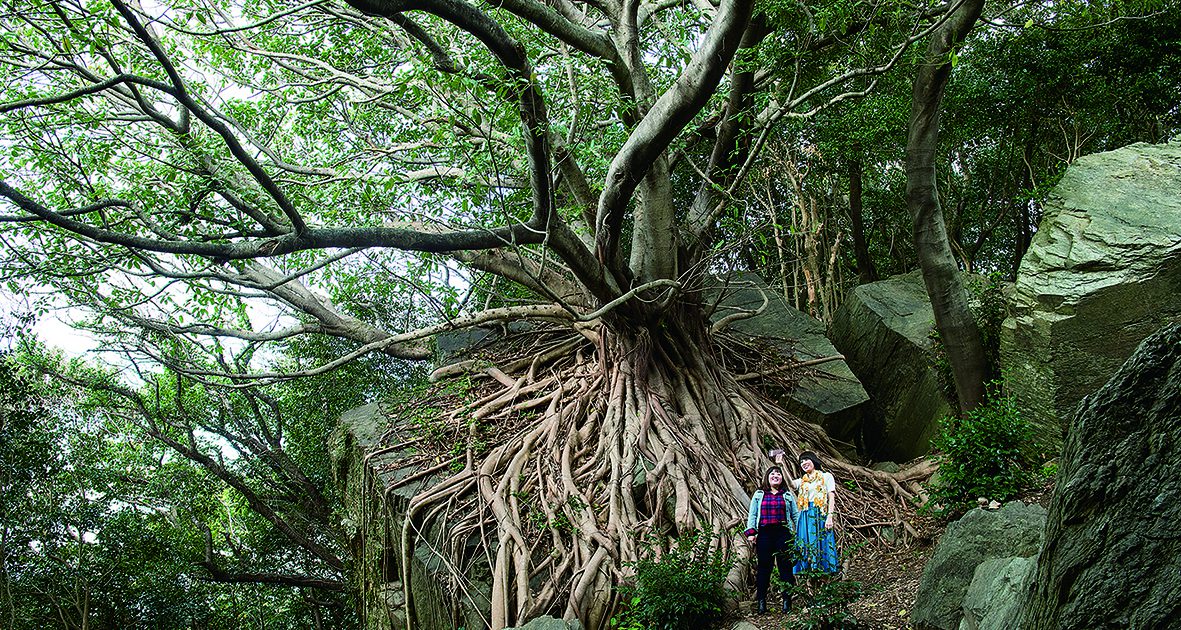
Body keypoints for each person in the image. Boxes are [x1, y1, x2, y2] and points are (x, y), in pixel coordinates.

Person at [744, 464, 799, 614]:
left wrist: (799, 534)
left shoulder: (787, 495)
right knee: (764, 568)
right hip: (764, 534)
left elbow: (795, 515)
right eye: (773, 474)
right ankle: (762, 602)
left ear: (782, 478)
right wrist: (751, 532)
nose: (776, 476)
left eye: (779, 474)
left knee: (785, 568)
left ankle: (787, 601)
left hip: (783, 534)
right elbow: (753, 515)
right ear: (767, 478)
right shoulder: (759, 494)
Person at [785, 450, 839, 576]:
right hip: (805, 514)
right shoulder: (802, 481)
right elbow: (791, 484)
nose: (804, 463)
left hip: (820, 512)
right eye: (801, 462)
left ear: (813, 460)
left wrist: (830, 517)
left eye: (806, 460)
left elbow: (831, 497)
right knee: (806, 543)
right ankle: (809, 578)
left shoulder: (826, 477)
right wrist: (782, 465)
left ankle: (824, 576)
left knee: (823, 541)